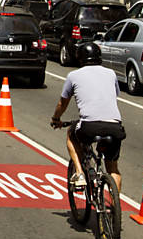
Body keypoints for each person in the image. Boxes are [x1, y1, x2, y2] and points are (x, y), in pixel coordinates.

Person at [50, 42, 125, 191]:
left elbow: (62, 104)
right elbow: (114, 95)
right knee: (113, 169)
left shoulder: (73, 76)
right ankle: (114, 208)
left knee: (71, 133)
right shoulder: (111, 74)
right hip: (115, 126)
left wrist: (56, 119)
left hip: (89, 126)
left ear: (80, 59)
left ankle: (79, 173)